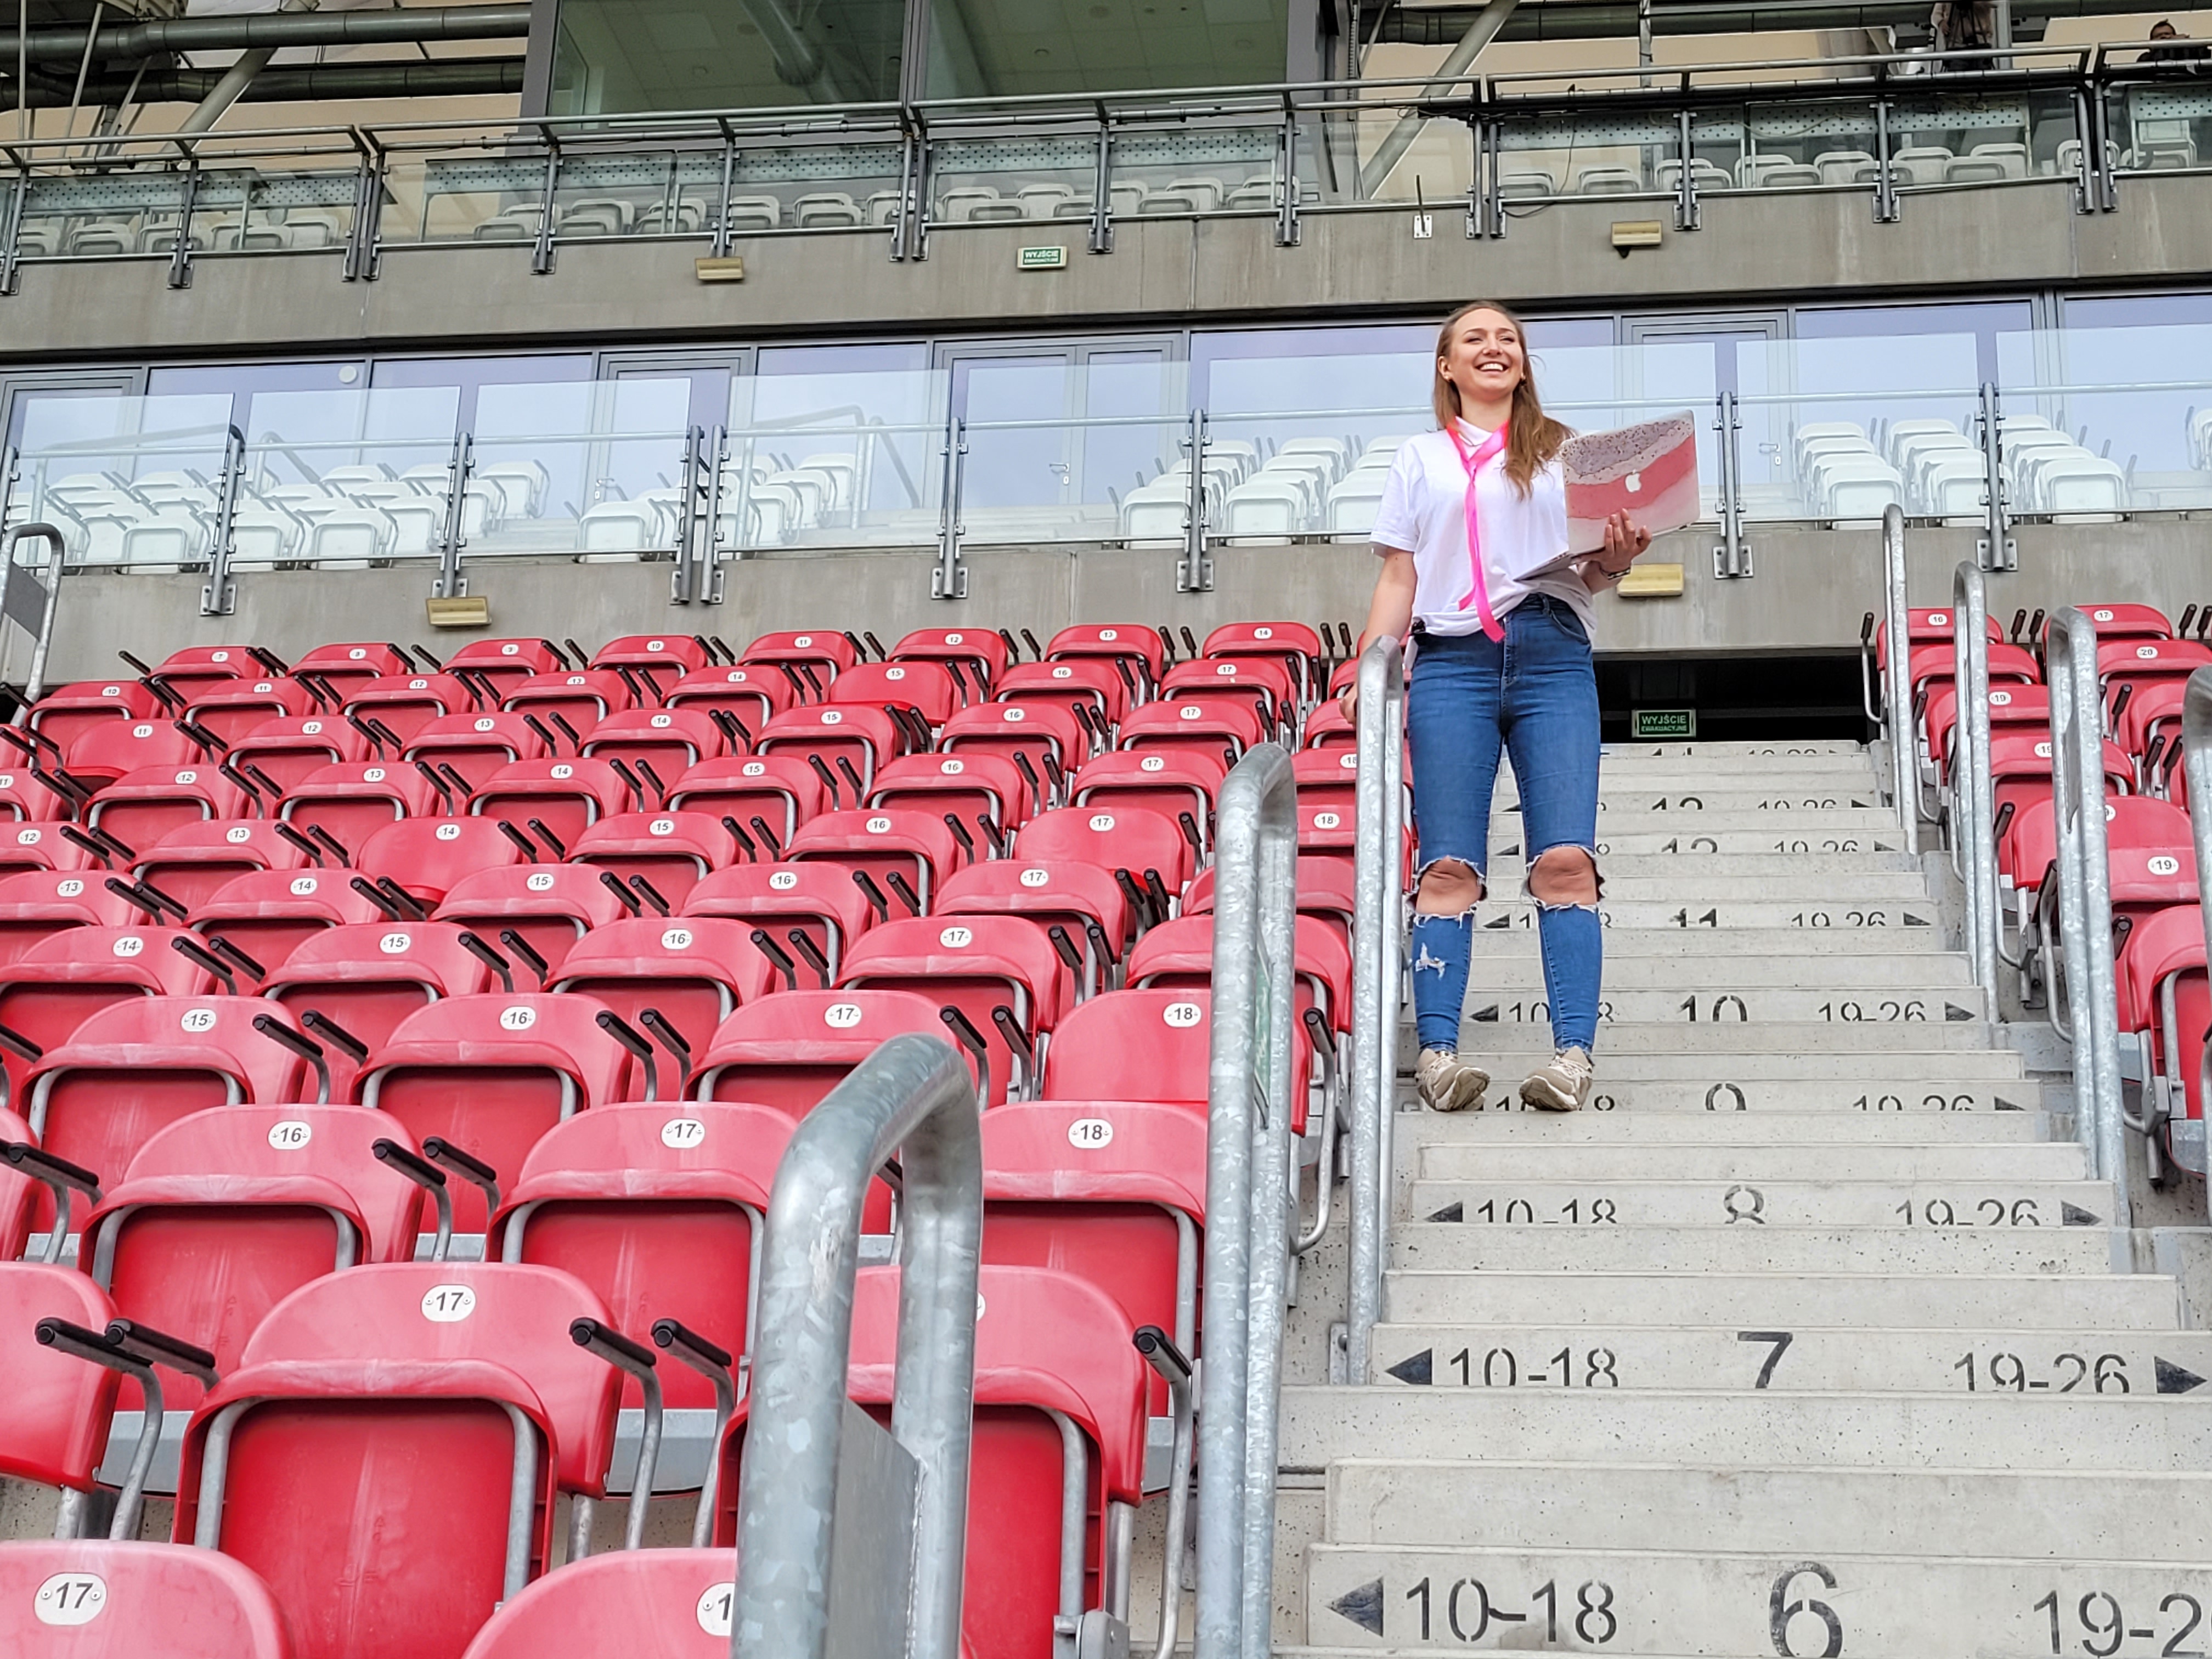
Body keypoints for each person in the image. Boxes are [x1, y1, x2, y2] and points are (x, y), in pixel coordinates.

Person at [1342, 300, 1649, 1114]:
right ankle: (1439, 1059)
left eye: (1507, 337)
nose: (1494, 346)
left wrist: (1615, 561)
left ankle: (1572, 1057)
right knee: (1448, 867)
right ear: (1447, 366)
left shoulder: (1566, 453)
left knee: (1564, 861)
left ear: (1522, 362)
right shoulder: (1418, 457)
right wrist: (1367, 670)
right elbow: (1400, 578)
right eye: (1474, 338)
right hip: (1450, 664)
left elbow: (1587, 573)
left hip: (1551, 652)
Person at [2143, 19, 2209, 61]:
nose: (2163, 36)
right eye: (2158, 36)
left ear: (2175, 36)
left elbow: (2204, 54)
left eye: (2167, 34)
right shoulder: (2146, 57)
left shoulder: (2187, 52)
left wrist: (2185, 42)